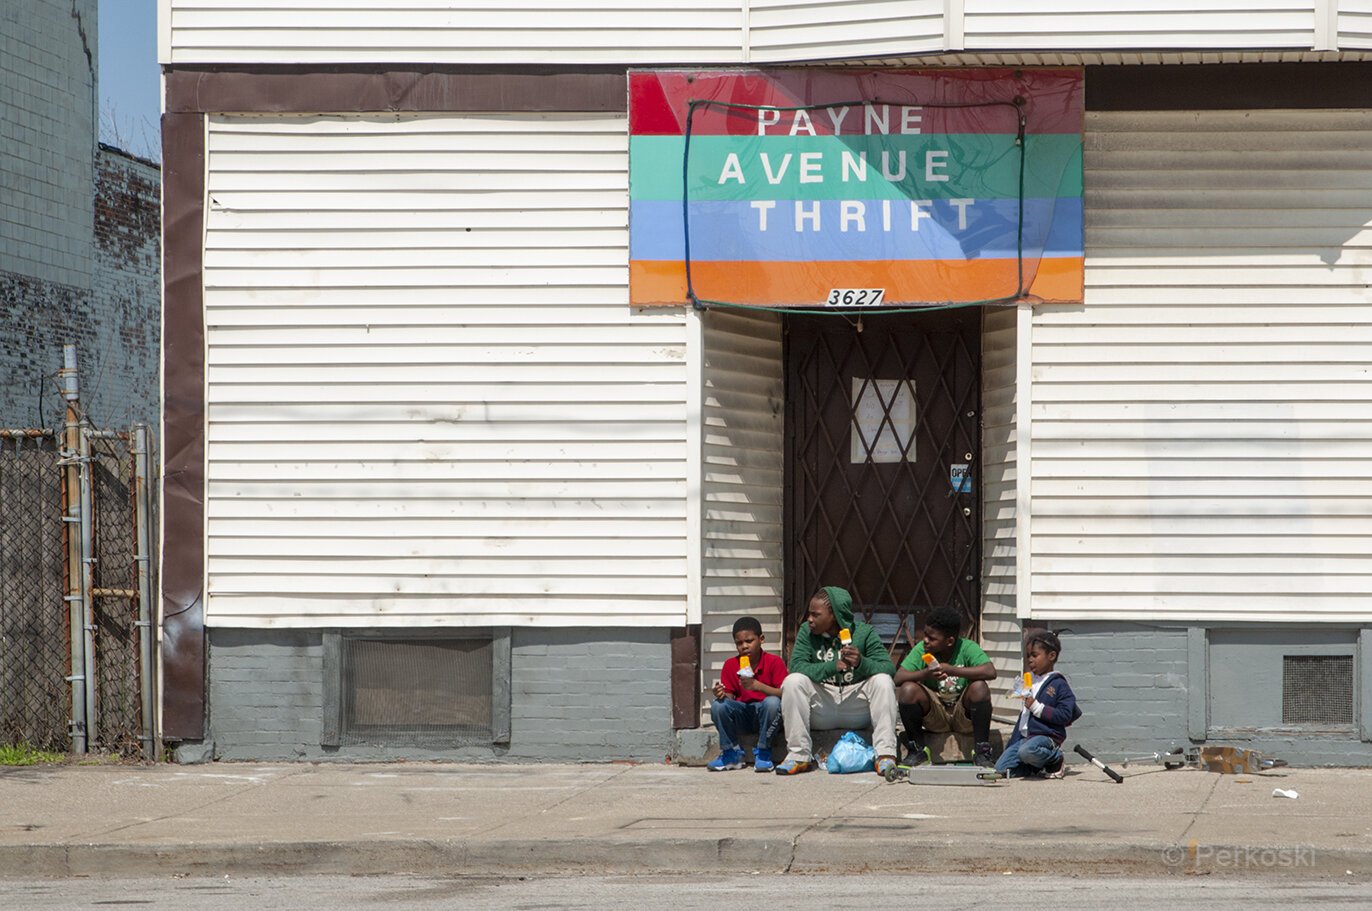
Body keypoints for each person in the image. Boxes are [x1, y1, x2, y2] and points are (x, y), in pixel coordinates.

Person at [776, 587, 898, 777]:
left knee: (883, 681)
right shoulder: (806, 632)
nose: (810, 619)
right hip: (822, 706)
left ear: (835, 615)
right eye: (809, 614)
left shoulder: (863, 633)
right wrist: (832, 667)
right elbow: (797, 666)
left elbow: (889, 668)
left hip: (856, 707)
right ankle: (798, 755)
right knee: (793, 681)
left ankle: (884, 755)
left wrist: (861, 663)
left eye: (816, 615)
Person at [894, 606, 997, 767]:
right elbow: (899, 677)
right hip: (936, 715)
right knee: (908, 690)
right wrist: (925, 674)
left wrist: (952, 670)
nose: (926, 640)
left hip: (962, 715)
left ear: (949, 641)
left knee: (979, 687)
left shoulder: (967, 647)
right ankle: (917, 750)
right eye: (925, 635)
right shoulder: (922, 649)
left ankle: (982, 751)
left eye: (932, 638)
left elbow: (990, 671)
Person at [996, 630, 1081, 779]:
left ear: (1051, 656)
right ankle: (1035, 768)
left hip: (1046, 736)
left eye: (1035, 655)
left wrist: (1037, 707)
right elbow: (1024, 716)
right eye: (1028, 655)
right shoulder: (1030, 681)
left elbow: (1065, 714)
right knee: (1001, 769)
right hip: (1025, 737)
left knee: (1026, 751)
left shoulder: (1058, 684)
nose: (1030, 660)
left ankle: (1055, 758)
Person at [708, 616, 788, 772]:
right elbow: (730, 698)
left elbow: (784, 694)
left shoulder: (774, 662)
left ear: (761, 639)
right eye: (739, 643)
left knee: (772, 703)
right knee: (718, 706)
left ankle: (764, 752)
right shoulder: (731, 664)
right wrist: (720, 694)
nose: (744, 646)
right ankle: (732, 754)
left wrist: (757, 686)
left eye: (749, 641)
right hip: (744, 714)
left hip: (768, 717)